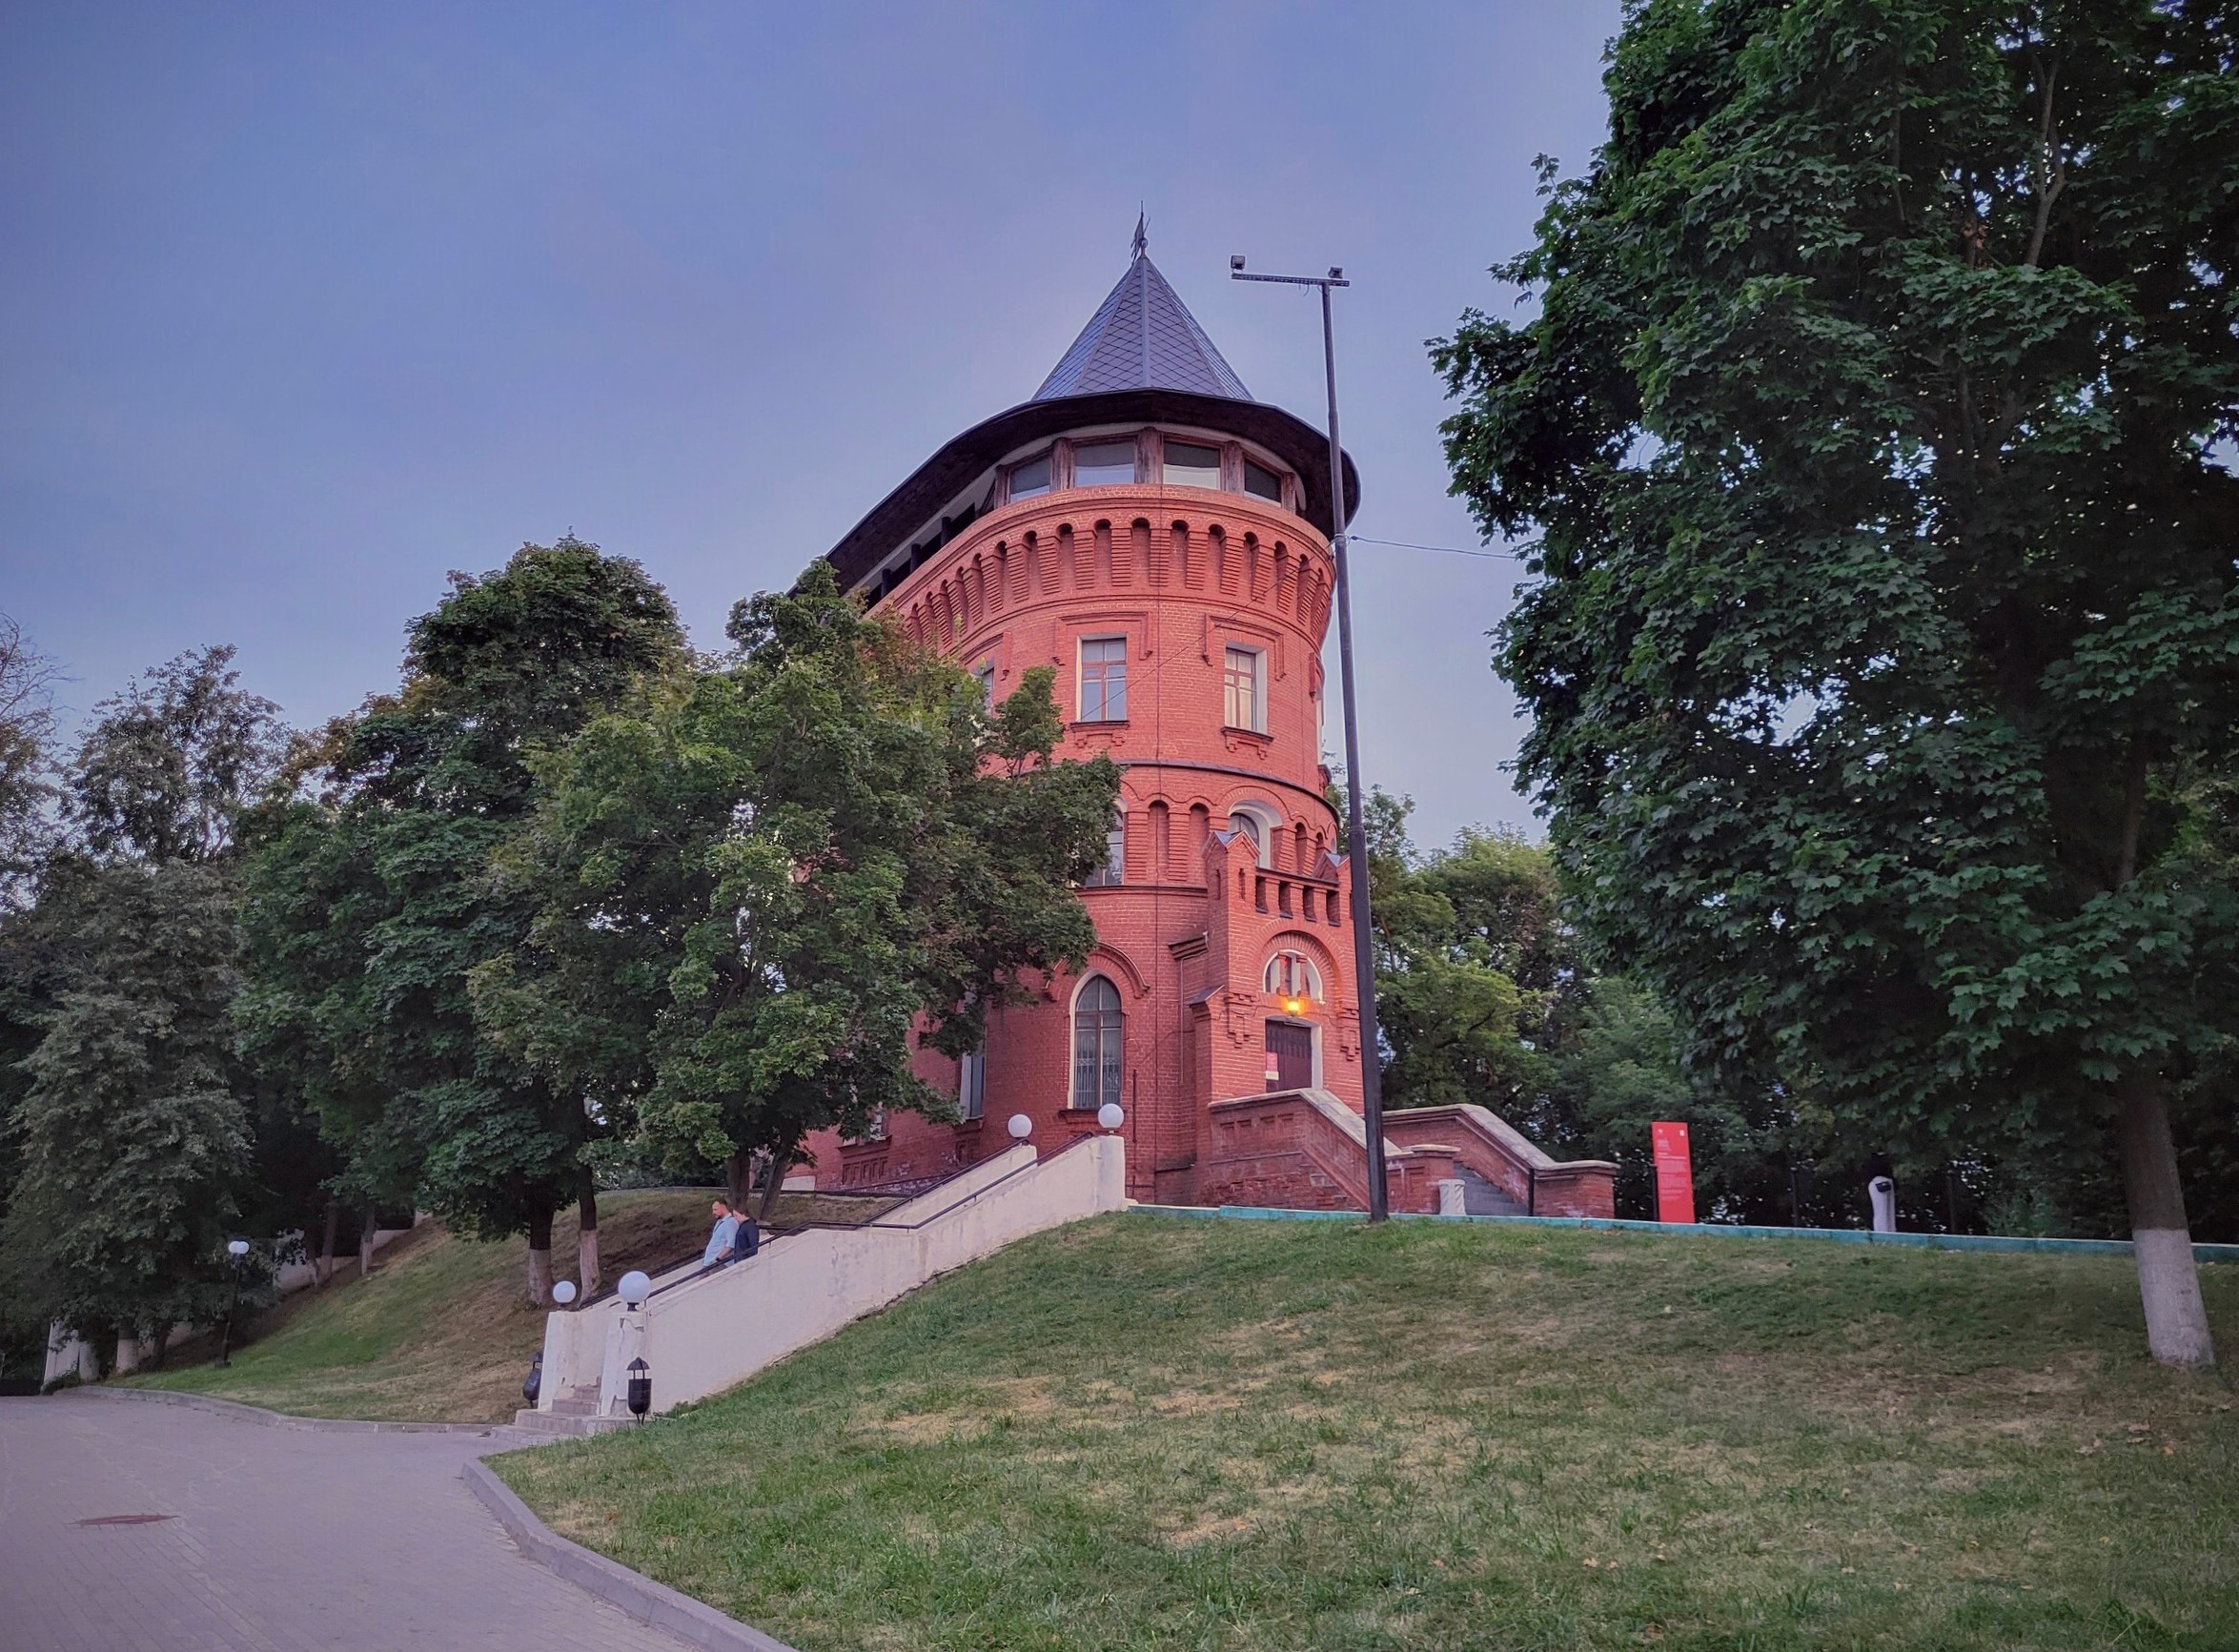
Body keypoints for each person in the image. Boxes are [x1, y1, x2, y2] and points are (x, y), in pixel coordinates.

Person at [700, 1198, 740, 1269]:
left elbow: (731, 1244)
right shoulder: (720, 1222)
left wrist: (718, 1259)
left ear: (723, 1208)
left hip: (718, 1263)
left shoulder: (731, 1223)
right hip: (709, 1262)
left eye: (715, 1209)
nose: (713, 1212)